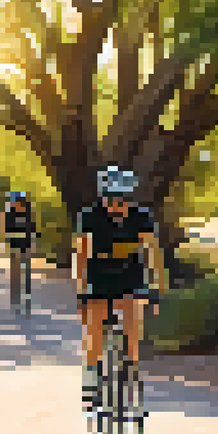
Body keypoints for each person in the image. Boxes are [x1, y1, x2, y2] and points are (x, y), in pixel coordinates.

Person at [74, 167, 165, 400]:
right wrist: (81, 289)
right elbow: (81, 254)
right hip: (99, 275)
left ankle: (130, 371)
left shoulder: (141, 216)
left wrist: (158, 287)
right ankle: (91, 376)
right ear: (103, 196)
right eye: (111, 199)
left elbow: (152, 253)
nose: (117, 204)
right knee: (95, 327)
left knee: (133, 328)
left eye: (123, 199)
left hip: (130, 275)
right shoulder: (90, 216)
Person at [4, 191, 40, 313]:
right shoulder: (10, 214)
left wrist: (32, 240)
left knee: (27, 274)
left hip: (26, 247)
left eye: (19, 202)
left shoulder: (28, 213)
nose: (17, 204)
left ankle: (27, 297)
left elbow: (33, 229)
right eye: (15, 202)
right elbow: (7, 231)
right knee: (15, 275)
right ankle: (15, 299)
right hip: (15, 248)